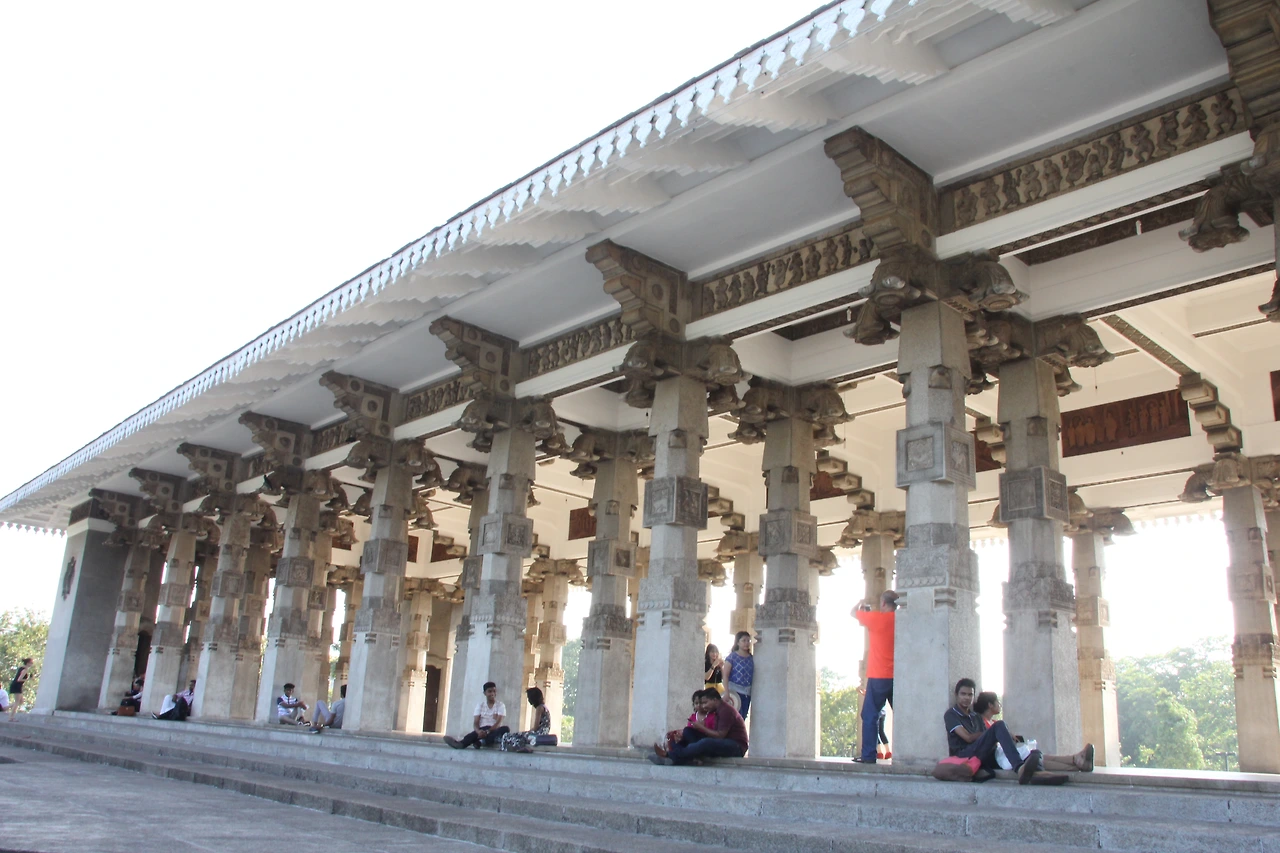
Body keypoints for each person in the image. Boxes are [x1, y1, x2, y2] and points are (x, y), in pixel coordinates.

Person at [945, 678, 1041, 783]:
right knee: (999, 725)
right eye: (963, 694)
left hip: (981, 753)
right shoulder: (951, 714)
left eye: (970, 695)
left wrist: (1005, 736)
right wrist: (992, 733)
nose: (967, 698)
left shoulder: (976, 716)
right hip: (964, 754)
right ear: (956, 695)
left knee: (1033, 755)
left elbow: (987, 739)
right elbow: (968, 738)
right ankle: (1019, 767)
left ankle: (1043, 775)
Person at [973, 690, 1094, 773]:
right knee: (1035, 760)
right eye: (997, 702)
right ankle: (1075, 766)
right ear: (990, 705)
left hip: (1006, 754)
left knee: (1038, 755)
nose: (1000, 705)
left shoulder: (994, 723)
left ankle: (1075, 759)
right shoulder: (982, 723)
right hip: (999, 759)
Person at [852, 590, 898, 764]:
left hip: (879, 675)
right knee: (902, 715)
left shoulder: (877, 618)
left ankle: (868, 756)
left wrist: (860, 604)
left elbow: (853, 613)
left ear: (883, 603)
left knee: (870, 715)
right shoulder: (902, 620)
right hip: (898, 676)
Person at [650, 689, 747, 766]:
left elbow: (720, 736)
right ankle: (684, 757)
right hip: (721, 742)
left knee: (705, 742)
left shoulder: (726, 711)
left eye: (705, 702)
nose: (703, 706)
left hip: (736, 747)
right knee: (688, 731)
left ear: (714, 700)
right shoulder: (716, 711)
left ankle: (669, 755)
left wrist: (702, 727)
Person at [444, 682, 509, 749]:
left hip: (493, 731)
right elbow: (476, 722)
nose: (492, 693)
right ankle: (461, 744)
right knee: (475, 733)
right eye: (490, 691)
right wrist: (478, 731)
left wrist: (488, 731)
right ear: (485, 693)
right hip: (482, 730)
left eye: (494, 691)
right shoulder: (480, 705)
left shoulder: (500, 705)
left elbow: (498, 723)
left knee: (505, 729)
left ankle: (480, 742)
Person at [501, 687, 551, 753]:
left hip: (538, 734)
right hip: (542, 733)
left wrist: (528, 732)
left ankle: (518, 748)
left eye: (528, 698)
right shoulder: (544, 707)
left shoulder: (539, 708)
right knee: (518, 736)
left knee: (506, 736)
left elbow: (535, 727)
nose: (528, 700)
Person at [723, 631, 755, 719]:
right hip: (734, 692)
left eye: (748, 640)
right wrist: (726, 692)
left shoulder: (751, 658)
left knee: (742, 717)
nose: (746, 643)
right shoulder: (732, 657)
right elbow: (725, 676)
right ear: (738, 642)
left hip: (747, 693)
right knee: (734, 718)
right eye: (744, 640)